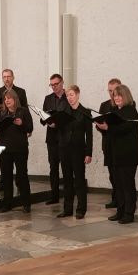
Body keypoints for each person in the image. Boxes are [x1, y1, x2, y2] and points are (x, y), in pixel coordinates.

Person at [96, 84, 138, 224]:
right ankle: (120, 210)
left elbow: (125, 128)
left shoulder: (131, 111)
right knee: (118, 184)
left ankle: (129, 212)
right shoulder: (114, 111)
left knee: (127, 184)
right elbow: (110, 131)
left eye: (119, 95)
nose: (117, 98)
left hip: (127, 154)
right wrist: (101, 127)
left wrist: (108, 127)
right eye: (115, 95)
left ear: (125, 96)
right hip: (114, 152)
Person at [0, 90, 33, 213]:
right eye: (5, 99)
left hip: (20, 149)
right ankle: (7, 204)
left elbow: (30, 128)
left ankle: (26, 203)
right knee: (6, 177)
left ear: (15, 99)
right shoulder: (1, 112)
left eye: (9, 98)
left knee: (22, 176)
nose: (7, 101)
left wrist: (22, 124)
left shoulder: (23, 111)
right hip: (5, 149)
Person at [56, 85, 93, 219]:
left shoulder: (85, 112)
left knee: (79, 180)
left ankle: (81, 209)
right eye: (67, 95)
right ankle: (67, 209)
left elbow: (89, 135)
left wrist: (89, 153)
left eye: (71, 95)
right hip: (65, 149)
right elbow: (60, 130)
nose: (69, 98)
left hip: (79, 150)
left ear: (77, 94)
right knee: (67, 180)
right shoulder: (64, 112)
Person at [0, 69, 28, 193]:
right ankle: (4, 186)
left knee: (21, 170)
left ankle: (20, 186)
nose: (6, 79)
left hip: (17, 131)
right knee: (5, 167)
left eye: (8, 76)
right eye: (4, 77)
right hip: (4, 132)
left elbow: (24, 109)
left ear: (13, 77)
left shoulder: (21, 92)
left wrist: (24, 126)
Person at [41, 73, 69, 205]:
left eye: (56, 84)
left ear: (62, 83)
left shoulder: (69, 96)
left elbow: (70, 116)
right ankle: (54, 195)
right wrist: (46, 120)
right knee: (53, 167)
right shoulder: (48, 98)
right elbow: (43, 116)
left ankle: (69, 194)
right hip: (52, 138)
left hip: (65, 136)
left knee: (66, 167)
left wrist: (58, 123)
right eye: (51, 85)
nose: (54, 87)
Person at [98, 78, 122, 210]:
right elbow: (99, 122)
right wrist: (100, 126)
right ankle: (115, 198)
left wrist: (109, 127)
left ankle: (122, 199)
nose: (112, 94)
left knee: (121, 174)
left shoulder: (127, 103)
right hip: (107, 143)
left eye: (115, 90)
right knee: (112, 174)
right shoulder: (104, 105)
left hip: (120, 143)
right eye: (110, 90)